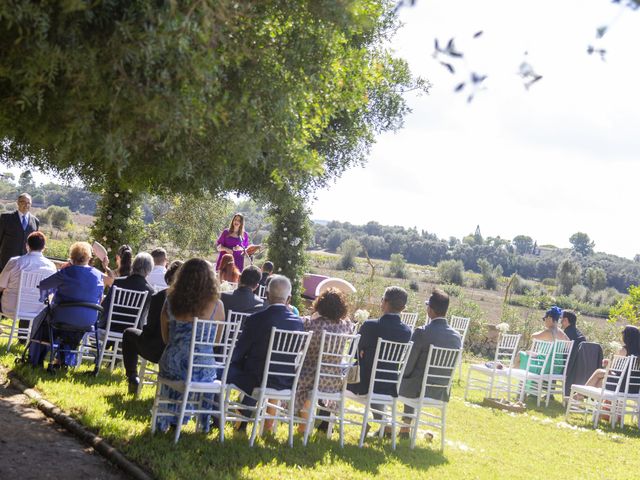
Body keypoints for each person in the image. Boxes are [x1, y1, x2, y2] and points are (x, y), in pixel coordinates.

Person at [155, 258, 225, 432]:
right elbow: (216, 342)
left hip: (173, 363)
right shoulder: (217, 306)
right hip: (203, 368)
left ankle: (170, 418)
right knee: (204, 367)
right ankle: (203, 424)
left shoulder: (170, 300)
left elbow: (166, 338)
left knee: (176, 363)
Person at [227, 275, 304, 432]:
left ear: (267, 295)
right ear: (289, 298)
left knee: (229, 369)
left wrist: (231, 360)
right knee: (253, 367)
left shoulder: (257, 319)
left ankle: (220, 418)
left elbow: (240, 350)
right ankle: (246, 418)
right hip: (285, 379)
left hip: (257, 378)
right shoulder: (298, 323)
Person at [347, 286, 412, 434]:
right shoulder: (407, 332)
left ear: (384, 302)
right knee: (376, 379)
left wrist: (363, 353)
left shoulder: (371, 325)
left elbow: (352, 353)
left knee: (338, 375)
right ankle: (386, 424)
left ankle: (325, 422)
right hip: (389, 384)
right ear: (403, 308)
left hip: (363, 383)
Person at [28, 242, 104, 367]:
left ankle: (36, 359)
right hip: (88, 320)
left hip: (63, 316)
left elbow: (44, 285)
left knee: (41, 320)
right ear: (88, 258)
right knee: (72, 325)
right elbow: (99, 297)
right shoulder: (97, 275)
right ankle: (64, 361)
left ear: (71, 258)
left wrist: (49, 294)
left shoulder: (67, 272)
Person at [398, 288, 461, 437]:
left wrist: (399, 372)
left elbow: (408, 365)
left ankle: (393, 426)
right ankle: (404, 428)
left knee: (404, 377)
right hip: (440, 391)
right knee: (413, 378)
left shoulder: (422, 332)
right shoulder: (456, 336)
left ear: (430, 310)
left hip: (419, 389)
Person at [296, 288, 354, 434]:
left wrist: (314, 316)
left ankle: (303, 426)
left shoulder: (310, 323)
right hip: (332, 379)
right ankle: (323, 425)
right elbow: (350, 325)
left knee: (299, 372)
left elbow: (299, 343)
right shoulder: (346, 326)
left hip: (308, 376)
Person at [122, 260, 183, 394]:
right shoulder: (191, 302)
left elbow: (151, 328)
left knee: (128, 333)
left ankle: (132, 376)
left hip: (156, 350)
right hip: (181, 353)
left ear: (169, 277)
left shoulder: (159, 297)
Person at [0, 231, 56, 318]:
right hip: (37, 311)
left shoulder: (15, 262)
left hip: (10, 308)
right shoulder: (51, 267)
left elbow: (1, 285)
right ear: (44, 248)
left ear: (27, 245)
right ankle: (23, 332)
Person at [99, 252, 155, 334]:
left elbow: (104, 306)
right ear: (149, 270)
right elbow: (147, 318)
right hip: (133, 334)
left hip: (110, 328)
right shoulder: (150, 291)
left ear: (133, 265)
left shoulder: (118, 282)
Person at [584, 325, 640, 391]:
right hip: (634, 387)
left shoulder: (624, 350)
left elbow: (613, 369)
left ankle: (579, 395)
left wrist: (608, 364)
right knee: (600, 381)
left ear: (627, 336)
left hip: (621, 385)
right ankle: (605, 400)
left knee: (598, 372)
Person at [0, 193, 39, 272]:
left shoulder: (35, 221)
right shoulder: (5, 218)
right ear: (18, 203)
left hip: (25, 265)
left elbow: (35, 245)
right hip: (5, 262)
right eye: (23, 202)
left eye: (28, 203)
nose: (26, 205)